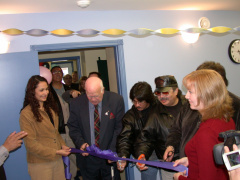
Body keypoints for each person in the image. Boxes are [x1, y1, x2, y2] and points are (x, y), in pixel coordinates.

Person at [163, 61, 240, 164]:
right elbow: (177, 129)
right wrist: (171, 146)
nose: (187, 96)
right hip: (190, 164)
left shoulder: (235, 105)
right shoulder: (190, 103)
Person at [173, 69, 235, 180]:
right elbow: (217, 158)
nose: (186, 96)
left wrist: (179, 178)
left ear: (206, 94)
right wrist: (191, 159)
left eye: (190, 92)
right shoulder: (226, 119)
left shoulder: (207, 132)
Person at [68, 77, 125, 180]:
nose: (93, 99)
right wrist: (81, 143)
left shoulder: (116, 100)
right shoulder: (76, 104)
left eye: (96, 96)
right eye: (89, 96)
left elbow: (119, 128)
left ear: (102, 90)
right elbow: (73, 127)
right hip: (87, 158)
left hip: (109, 156)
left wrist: (112, 151)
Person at [132, 76, 187, 180]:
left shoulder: (189, 104)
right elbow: (146, 138)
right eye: (158, 93)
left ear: (176, 91)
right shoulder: (155, 113)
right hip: (170, 167)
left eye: (165, 92)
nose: (161, 96)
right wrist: (142, 154)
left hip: (192, 163)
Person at [19, 75, 70, 180]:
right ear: (32, 92)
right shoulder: (26, 114)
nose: (45, 93)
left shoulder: (50, 109)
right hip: (40, 163)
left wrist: (63, 145)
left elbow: (55, 133)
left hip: (57, 160)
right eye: (41, 90)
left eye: (47, 89)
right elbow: (30, 145)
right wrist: (55, 152)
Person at [116, 81, 168, 180]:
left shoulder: (161, 108)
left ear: (148, 99)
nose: (136, 105)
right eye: (134, 101)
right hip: (145, 156)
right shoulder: (130, 116)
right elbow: (124, 138)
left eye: (140, 101)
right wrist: (123, 155)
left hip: (164, 153)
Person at [50, 66, 78, 179]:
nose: (57, 74)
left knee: (73, 156)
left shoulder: (69, 89)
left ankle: (73, 176)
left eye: (59, 72)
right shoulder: (48, 91)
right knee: (58, 157)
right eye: (55, 72)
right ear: (50, 74)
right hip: (56, 130)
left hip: (71, 128)